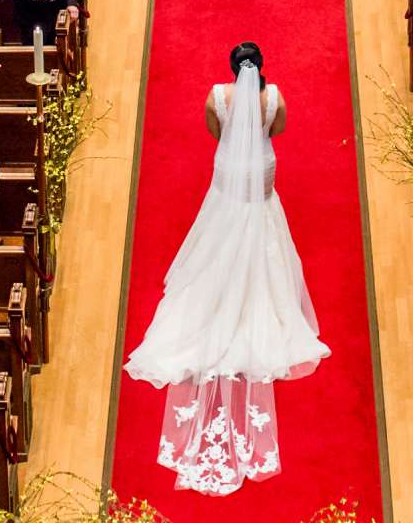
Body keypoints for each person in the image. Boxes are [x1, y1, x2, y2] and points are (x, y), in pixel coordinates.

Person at [123, 41, 325, 496]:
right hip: (262, 169)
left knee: (217, 236)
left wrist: (236, 141)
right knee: (267, 229)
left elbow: (216, 132)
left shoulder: (216, 94)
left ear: (232, 69)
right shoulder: (275, 98)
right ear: (263, 67)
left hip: (230, 171)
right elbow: (279, 131)